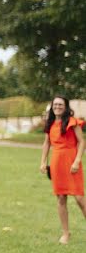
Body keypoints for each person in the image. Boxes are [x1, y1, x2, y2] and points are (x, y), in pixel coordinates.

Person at [39, 96, 85, 244]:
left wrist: (77, 161)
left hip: (72, 162)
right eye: (55, 104)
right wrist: (43, 162)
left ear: (65, 107)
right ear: (52, 106)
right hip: (56, 163)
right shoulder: (50, 123)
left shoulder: (72, 122)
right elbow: (46, 144)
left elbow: (82, 142)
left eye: (60, 104)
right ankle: (66, 233)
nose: (57, 106)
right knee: (61, 198)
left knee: (79, 198)